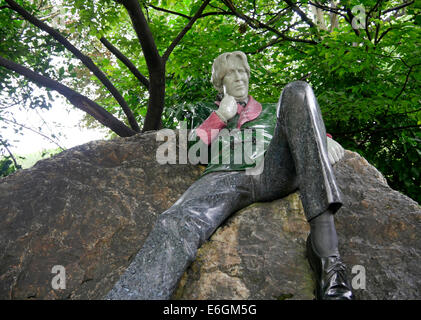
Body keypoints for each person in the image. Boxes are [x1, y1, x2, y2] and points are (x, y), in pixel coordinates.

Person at [106, 51, 354, 300]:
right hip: (224, 176)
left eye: (242, 71)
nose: (238, 78)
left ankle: (328, 262)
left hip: (272, 169)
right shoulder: (210, 116)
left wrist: (322, 140)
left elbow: (304, 131)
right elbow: (195, 152)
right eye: (230, 74)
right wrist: (220, 117)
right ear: (219, 83)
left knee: (297, 90)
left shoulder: (273, 111)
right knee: (177, 220)